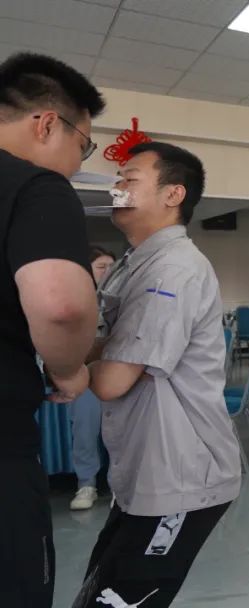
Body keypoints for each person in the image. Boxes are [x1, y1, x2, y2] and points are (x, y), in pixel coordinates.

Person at [72, 143, 241, 608]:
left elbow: (111, 379)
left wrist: (66, 369)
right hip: (145, 468)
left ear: (173, 194)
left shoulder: (173, 269)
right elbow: (104, 346)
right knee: (97, 587)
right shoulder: (133, 262)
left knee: (118, 599)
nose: (117, 188)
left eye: (130, 179)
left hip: (180, 476)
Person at [0, 52, 102, 608]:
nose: (78, 165)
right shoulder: (36, 186)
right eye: (83, 146)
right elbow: (61, 306)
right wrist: (68, 370)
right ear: (45, 123)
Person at [68, 245, 117, 511]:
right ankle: (86, 483)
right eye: (101, 267)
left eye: (112, 267)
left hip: (118, 373)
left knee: (123, 427)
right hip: (86, 375)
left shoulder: (123, 299)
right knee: (84, 425)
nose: (108, 271)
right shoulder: (74, 300)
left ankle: (120, 485)